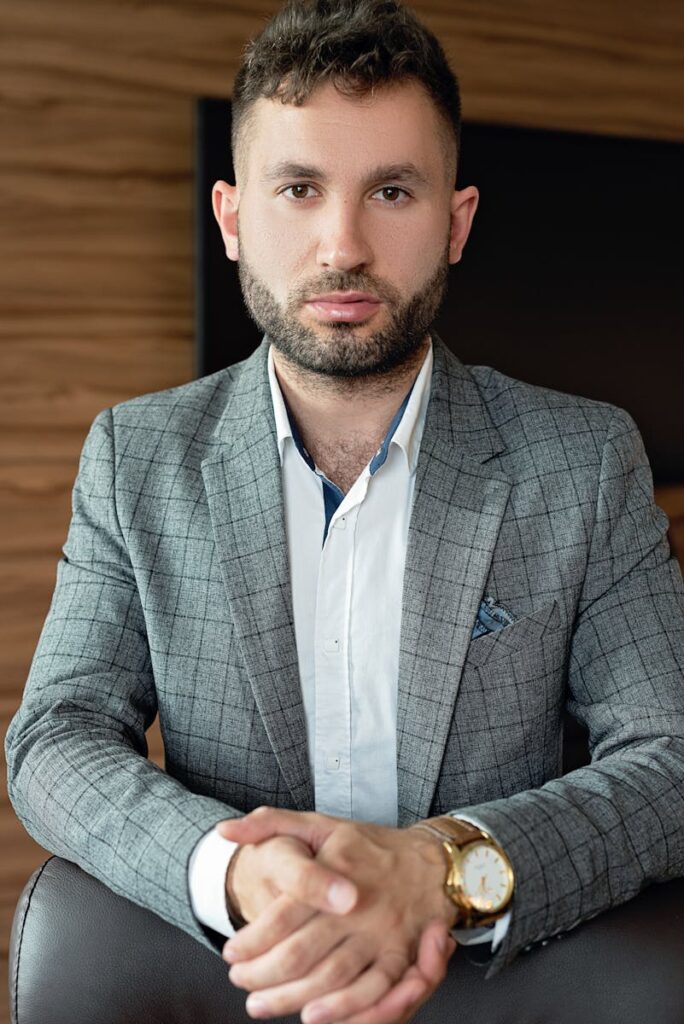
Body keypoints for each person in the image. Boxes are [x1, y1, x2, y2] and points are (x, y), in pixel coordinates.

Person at [5, 0, 684, 1022]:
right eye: (299, 188)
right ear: (233, 217)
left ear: (455, 221)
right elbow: (56, 737)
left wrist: (441, 869)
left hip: (504, 988)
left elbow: (671, 761)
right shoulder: (134, 457)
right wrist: (234, 872)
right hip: (241, 974)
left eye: (392, 191)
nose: (344, 244)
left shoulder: (584, 460)